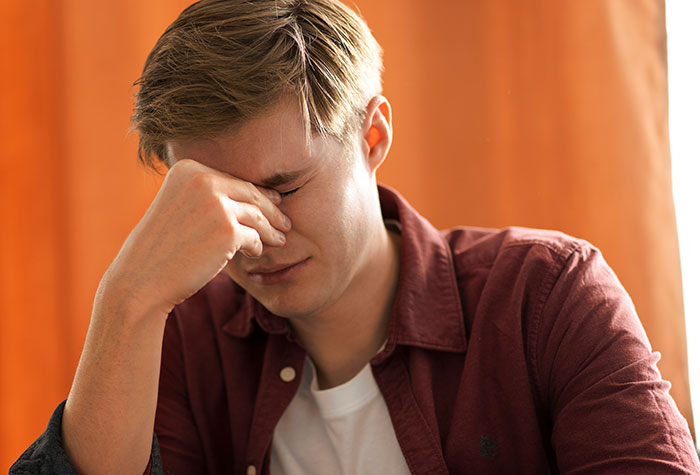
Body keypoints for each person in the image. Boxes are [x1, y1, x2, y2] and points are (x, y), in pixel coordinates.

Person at [11, 0, 700, 473]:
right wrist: (126, 300)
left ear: (373, 136)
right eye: (212, 201)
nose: (256, 236)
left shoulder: (548, 297)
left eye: (281, 187)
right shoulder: (184, 343)